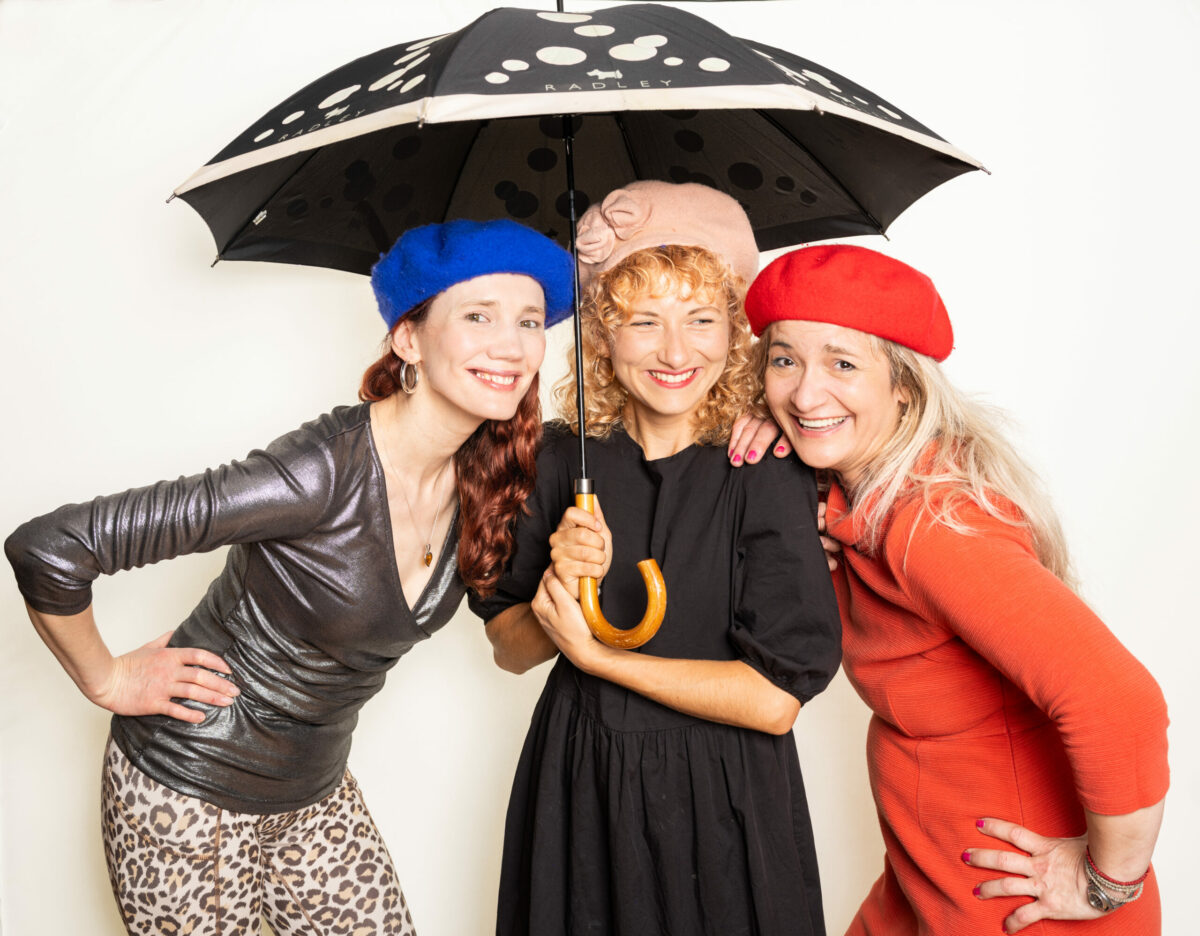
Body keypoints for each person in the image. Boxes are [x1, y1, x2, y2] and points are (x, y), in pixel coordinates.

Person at [4, 219, 573, 936]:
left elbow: (514, 647)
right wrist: (108, 680)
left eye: (529, 321)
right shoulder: (317, 472)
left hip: (312, 789)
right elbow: (52, 548)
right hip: (187, 788)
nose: (511, 345)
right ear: (408, 338)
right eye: (479, 316)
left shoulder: (490, 476)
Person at [747, 244, 1169, 935]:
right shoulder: (854, 498)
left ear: (905, 387)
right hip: (925, 878)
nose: (804, 393)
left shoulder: (932, 527)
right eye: (784, 360)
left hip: (1012, 904)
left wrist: (1108, 882)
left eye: (842, 364)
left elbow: (1120, 705)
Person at [474, 181, 842, 936]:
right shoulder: (559, 460)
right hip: (579, 785)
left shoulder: (765, 466)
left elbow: (776, 702)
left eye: (701, 319)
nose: (677, 352)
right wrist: (559, 586)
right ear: (603, 336)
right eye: (645, 321)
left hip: (723, 801)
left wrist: (599, 658)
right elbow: (509, 649)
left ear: (735, 331)